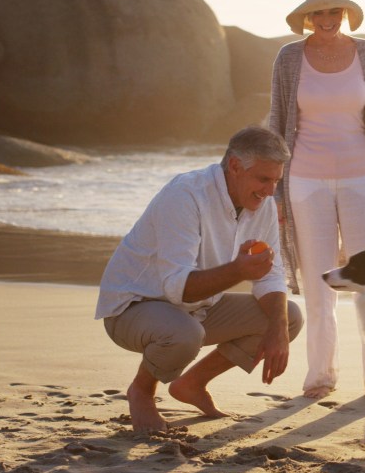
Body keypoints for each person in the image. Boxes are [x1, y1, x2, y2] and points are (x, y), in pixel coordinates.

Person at [94, 126, 304, 432]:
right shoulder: (186, 194)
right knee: (184, 334)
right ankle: (142, 390)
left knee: (288, 317)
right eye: (263, 179)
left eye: (276, 181)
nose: (270, 190)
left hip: (197, 309)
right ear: (234, 166)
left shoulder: (263, 204)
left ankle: (192, 383)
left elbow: (271, 275)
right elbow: (178, 288)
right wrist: (238, 270)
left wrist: (279, 329)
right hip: (134, 307)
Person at [267, 0, 365, 400]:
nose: (327, 18)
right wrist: (275, 190)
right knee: (318, 279)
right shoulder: (289, 58)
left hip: (362, 178)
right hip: (305, 180)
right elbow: (278, 123)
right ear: (308, 16)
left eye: (334, 10)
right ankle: (321, 376)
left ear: (345, 12)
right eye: (318, 11)